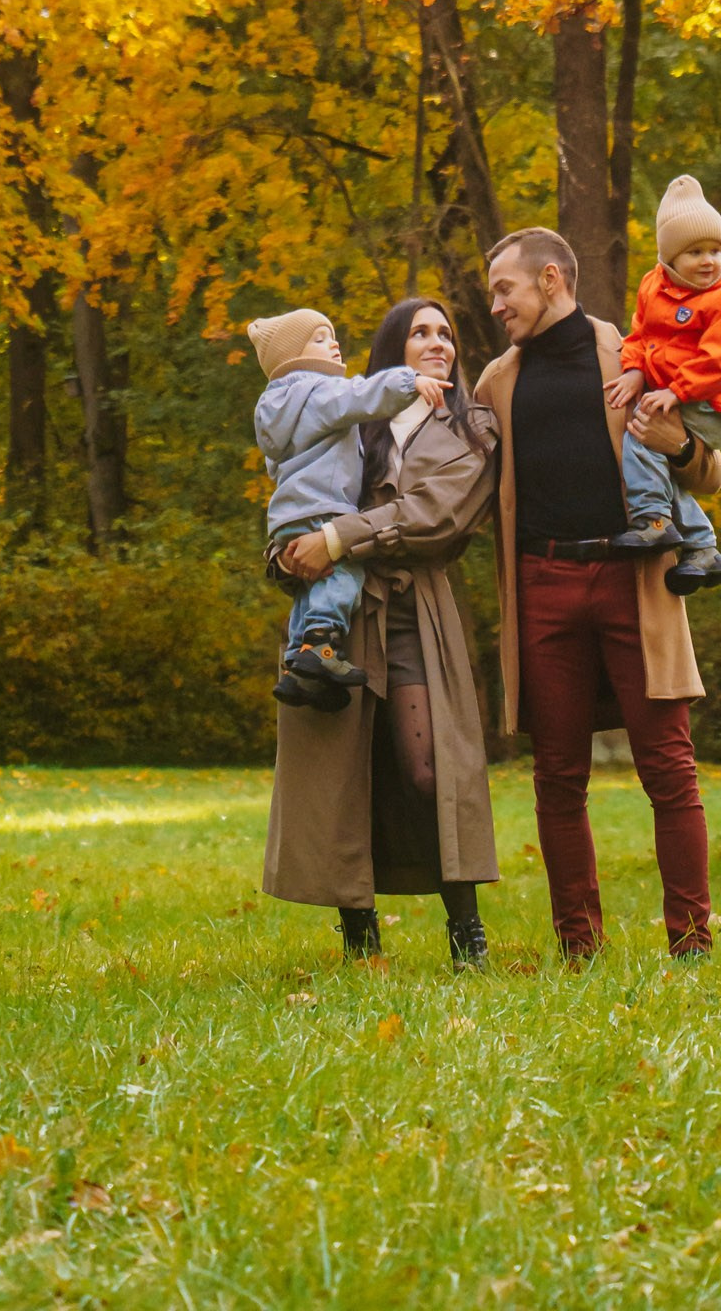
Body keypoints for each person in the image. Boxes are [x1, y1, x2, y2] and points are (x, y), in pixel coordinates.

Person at [475, 226, 721, 961]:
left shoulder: (638, 353)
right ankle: (579, 946)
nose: (495, 306)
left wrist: (677, 440)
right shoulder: (496, 383)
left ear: (551, 280)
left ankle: (693, 943)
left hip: (634, 580)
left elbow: (708, 474)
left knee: (668, 766)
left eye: (504, 290)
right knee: (557, 775)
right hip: (543, 585)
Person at [263, 296, 500, 965]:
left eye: (446, 333)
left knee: (430, 772)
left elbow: (439, 514)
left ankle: (466, 929)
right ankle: (358, 935)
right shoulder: (347, 416)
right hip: (338, 609)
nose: (438, 343)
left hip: (414, 612)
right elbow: (296, 495)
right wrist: (287, 551)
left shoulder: (470, 429)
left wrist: (338, 537)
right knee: (346, 769)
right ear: (392, 347)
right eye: (420, 332)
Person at [247, 308, 440, 706]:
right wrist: (411, 381)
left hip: (288, 516)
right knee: (342, 576)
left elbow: (274, 465)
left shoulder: (273, 409)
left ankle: (297, 666)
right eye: (320, 338)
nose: (333, 344)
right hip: (325, 508)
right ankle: (322, 646)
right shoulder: (317, 391)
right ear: (294, 357)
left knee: (309, 587)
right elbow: (362, 395)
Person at [607, 173, 721, 594]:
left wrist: (676, 392)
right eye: (695, 252)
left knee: (641, 438)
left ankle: (653, 520)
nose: (709, 261)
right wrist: (633, 370)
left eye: (715, 250)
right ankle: (702, 548)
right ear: (669, 259)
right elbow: (639, 335)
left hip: (710, 401)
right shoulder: (654, 287)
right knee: (654, 456)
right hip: (681, 394)